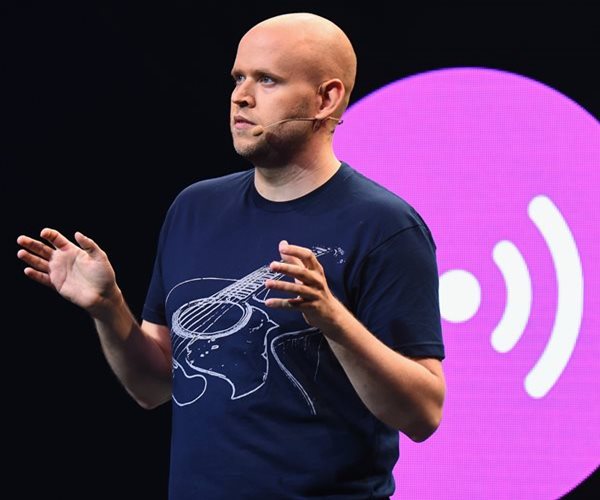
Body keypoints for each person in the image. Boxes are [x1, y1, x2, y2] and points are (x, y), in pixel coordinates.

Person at [16, 12, 445, 500]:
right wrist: (107, 307)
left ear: (326, 98)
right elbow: (154, 387)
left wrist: (333, 320)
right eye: (238, 78)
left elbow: (423, 414)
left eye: (267, 80)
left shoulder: (385, 226)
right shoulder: (194, 208)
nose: (241, 96)